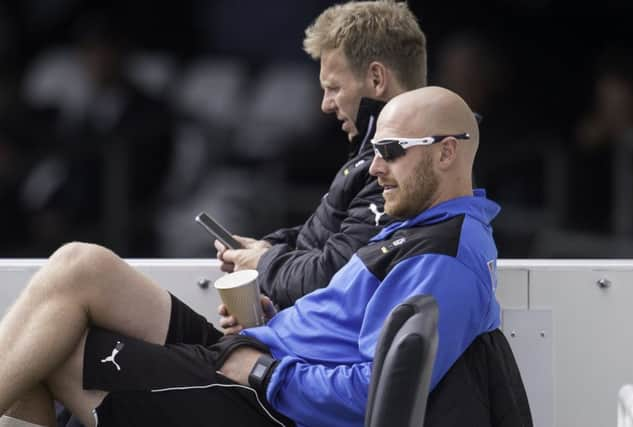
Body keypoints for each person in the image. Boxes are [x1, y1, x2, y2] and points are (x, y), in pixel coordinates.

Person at [0, 85, 501, 427]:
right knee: (80, 266)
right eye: (373, 150)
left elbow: (373, 395)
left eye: (390, 149)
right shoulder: (421, 227)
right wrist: (277, 319)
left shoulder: (444, 256)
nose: (373, 167)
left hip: (268, 398)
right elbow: (344, 330)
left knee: (59, 353)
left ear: (446, 153)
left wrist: (263, 371)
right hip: (259, 354)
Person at [215, 0, 427, 316]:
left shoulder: (399, 166)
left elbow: (334, 278)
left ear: (376, 79)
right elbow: (329, 246)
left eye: (333, 88)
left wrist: (263, 262)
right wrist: (268, 249)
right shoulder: (374, 154)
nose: (325, 106)